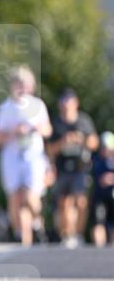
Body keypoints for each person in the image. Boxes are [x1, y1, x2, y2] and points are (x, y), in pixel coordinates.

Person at [0, 65, 52, 246]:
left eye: (25, 84)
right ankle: (23, 238)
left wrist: (33, 128)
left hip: (33, 157)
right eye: (18, 84)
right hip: (12, 157)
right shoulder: (5, 108)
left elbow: (48, 130)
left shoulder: (37, 105)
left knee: (30, 196)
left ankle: (37, 222)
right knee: (15, 198)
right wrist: (14, 132)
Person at [46, 88, 98, 248]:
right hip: (62, 168)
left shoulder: (83, 120)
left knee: (81, 201)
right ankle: (68, 235)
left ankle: (79, 234)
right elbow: (49, 149)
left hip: (81, 168)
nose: (66, 105)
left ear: (76, 103)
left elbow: (94, 143)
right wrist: (63, 142)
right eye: (64, 101)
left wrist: (81, 140)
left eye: (69, 101)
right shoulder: (56, 123)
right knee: (64, 203)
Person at [91, 131, 114, 247]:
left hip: (112, 197)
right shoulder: (96, 159)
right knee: (98, 221)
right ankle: (98, 249)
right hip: (100, 196)